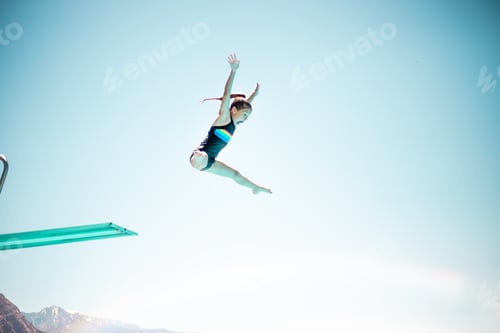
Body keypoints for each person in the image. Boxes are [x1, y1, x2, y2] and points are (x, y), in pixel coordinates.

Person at [190, 54, 272, 195]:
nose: (246, 118)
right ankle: (199, 155)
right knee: (202, 156)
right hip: (200, 157)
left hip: (210, 163)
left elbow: (244, 106)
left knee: (235, 175)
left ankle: (256, 188)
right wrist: (233, 71)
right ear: (233, 110)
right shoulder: (224, 117)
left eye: (248, 116)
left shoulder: (233, 123)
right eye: (245, 115)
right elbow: (227, 93)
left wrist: (254, 95)